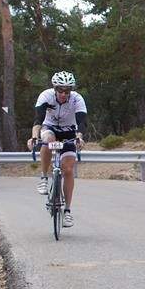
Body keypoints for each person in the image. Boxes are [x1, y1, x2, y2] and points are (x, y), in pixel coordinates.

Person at [28, 71, 88, 227]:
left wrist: (79, 137)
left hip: (69, 131)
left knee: (68, 169)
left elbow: (82, 122)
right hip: (50, 128)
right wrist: (34, 137)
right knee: (47, 140)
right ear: (54, 88)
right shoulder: (46, 96)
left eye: (67, 90)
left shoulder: (77, 99)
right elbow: (38, 119)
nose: (63, 93)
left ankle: (67, 211)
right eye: (60, 90)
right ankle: (43, 177)